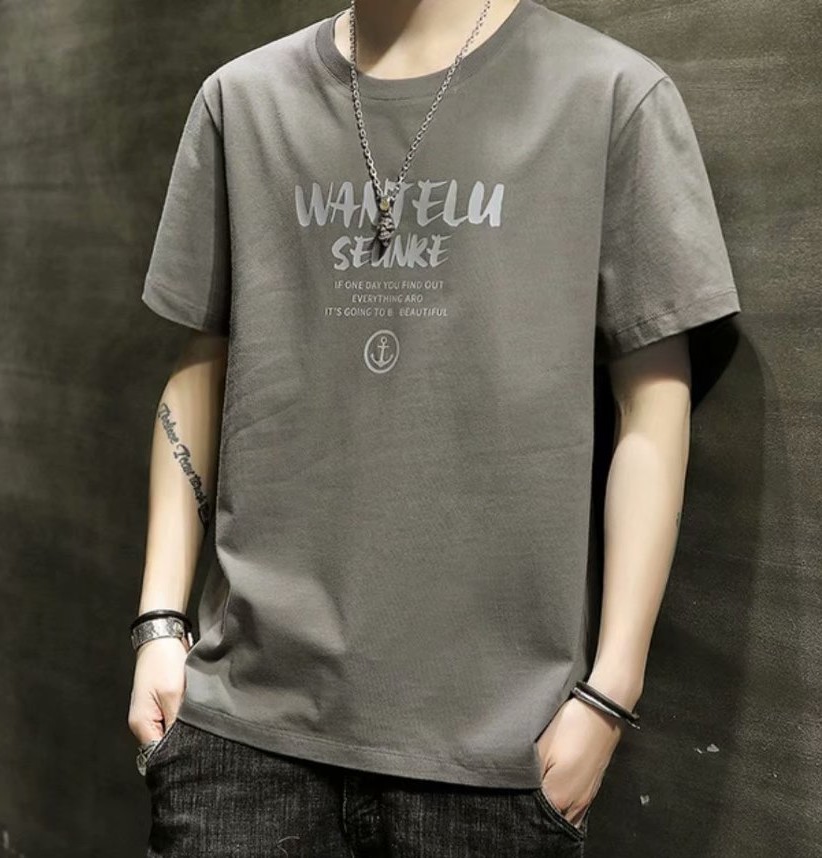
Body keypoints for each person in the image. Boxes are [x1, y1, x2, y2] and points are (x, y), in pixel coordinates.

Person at [127, 0, 742, 854]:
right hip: (240, 735)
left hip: (496, 754)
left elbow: (655, 406)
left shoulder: (608, 96)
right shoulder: (242, 101)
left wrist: (611, 694)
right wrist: (159, 627)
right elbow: (204, 362)